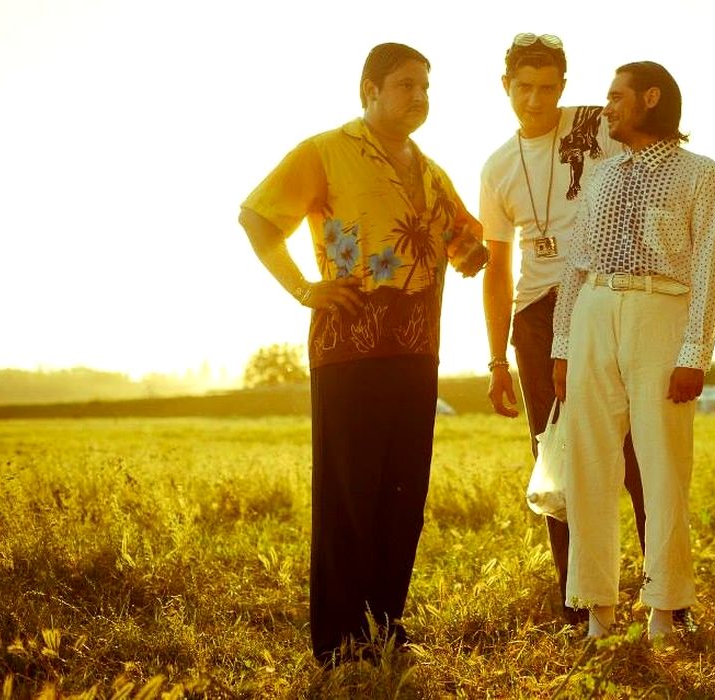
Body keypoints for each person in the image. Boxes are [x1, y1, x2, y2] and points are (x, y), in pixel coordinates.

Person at [238, 42, 487, 665]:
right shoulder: (324, 151)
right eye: (405, 84)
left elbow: (465, 242)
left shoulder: (431, 171)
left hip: (418, 349)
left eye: (425, 85)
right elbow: (257, 218)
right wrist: (304, 288)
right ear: (369, 91)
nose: (419, 96)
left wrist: (474, 253)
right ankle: (338, 641)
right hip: (347, 349)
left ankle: (384, 627)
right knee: (349, 494)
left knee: (403, 496)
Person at [551, 61, 715, 641]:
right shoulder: (601, 175)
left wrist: (694, 354)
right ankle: (596, 611)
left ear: (651, 98)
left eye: (616, 96)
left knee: (663, 465)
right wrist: (561, 344)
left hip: (661, 313)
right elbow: (575, 264)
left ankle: (664, 610)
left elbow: (710, 268)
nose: (606, 107)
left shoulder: (701, 175)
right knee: (588, 464)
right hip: (593, 311)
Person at [479, 32, 647, 625]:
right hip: (536, 314)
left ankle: (664, 595)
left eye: (548, 88)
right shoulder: (498, 166)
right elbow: (496, 268)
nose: (535, 100)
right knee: (555, 454)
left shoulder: (595, 124)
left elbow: (654, 158)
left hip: (607, 297)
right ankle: (577, 601)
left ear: (564, 86)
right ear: (506, 85)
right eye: (524, 87)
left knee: (637, 449)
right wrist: (496, 359)